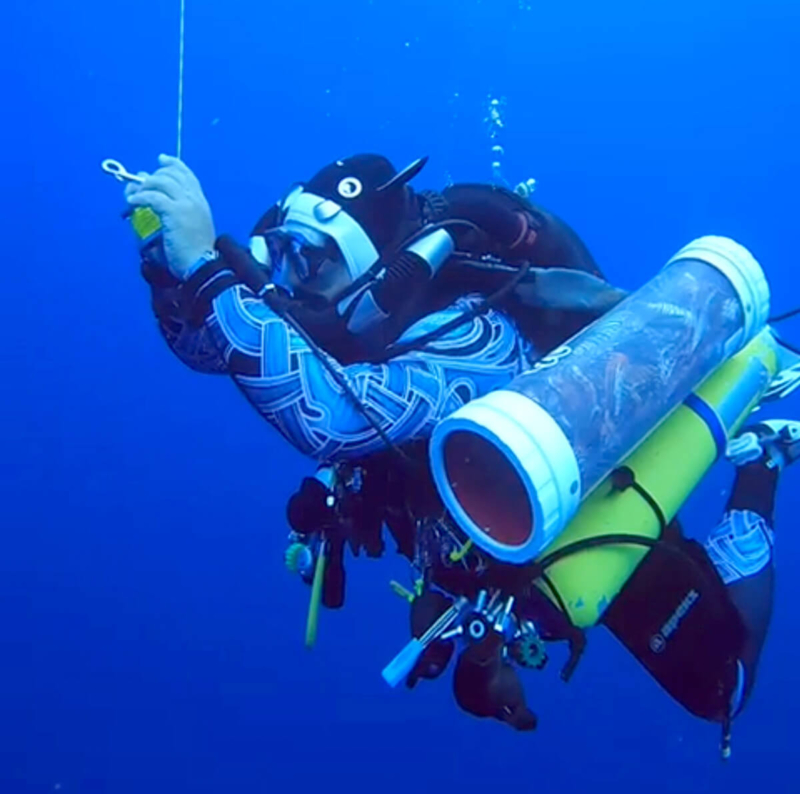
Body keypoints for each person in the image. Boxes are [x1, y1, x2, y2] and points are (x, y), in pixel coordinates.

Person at [121, 152, 797, 756]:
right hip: (470, 535)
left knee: (722, 690)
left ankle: (761, 464)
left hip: (577, 501)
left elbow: (330, 415)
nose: (288, 280)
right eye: (282, 254)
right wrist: (167, 266)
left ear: (371, 263)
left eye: (312, 259)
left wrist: (206, 269)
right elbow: (213, 346)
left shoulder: (474, 336)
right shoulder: (352, 321)